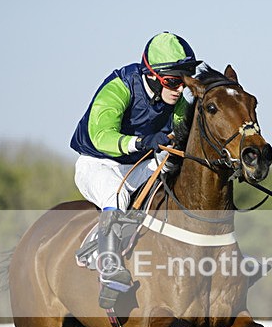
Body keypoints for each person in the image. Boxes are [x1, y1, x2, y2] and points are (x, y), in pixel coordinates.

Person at [70, 32, 201, 309]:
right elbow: (100, 135)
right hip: (98, 163)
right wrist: (141, 142)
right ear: (151, 74)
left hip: (139, 164)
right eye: (172, 81)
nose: (179, 90)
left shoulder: (176, 99)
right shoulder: (119, 86)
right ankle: (109, 267)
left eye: (184, 81)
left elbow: (182, 135)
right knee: (116, 194)